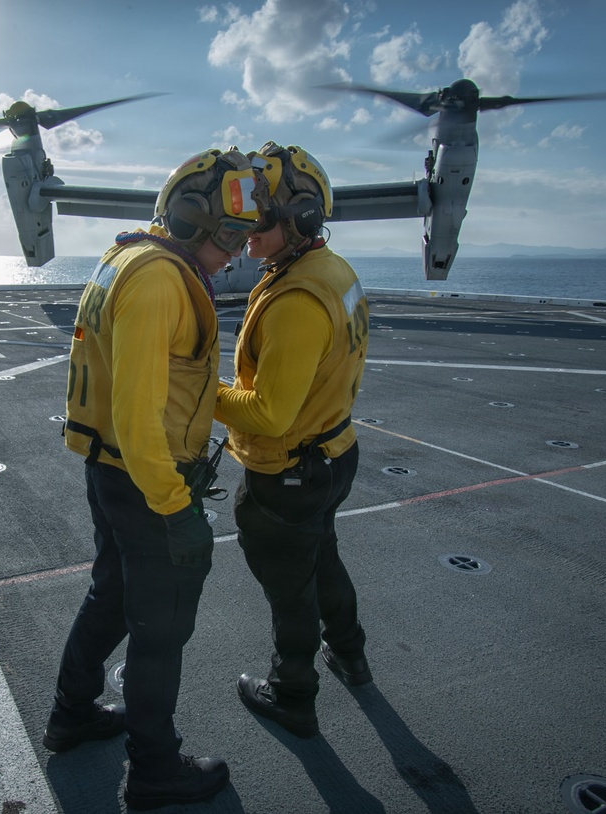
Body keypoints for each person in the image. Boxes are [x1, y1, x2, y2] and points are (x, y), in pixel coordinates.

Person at [44, 147, 268, 809]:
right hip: (147, 481)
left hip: (113, 471)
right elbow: (137, 414)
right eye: (229, 237)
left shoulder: (128, 257)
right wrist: (175, 510)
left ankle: (72, 714)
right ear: (193, 220)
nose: (238, 253)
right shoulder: (160, 281)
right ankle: (155, 769)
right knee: (159, 630)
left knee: (111, 595)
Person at [214, 141, 372, 739]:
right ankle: (350, 654)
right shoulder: (333, 271)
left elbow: (270, 414)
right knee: (322, 555)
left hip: (288, 473)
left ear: (301, 218)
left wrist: (198, 389)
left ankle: (292, 695)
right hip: (334, 452)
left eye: (259, 218)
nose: (245, 230)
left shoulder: (297, 299)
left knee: (290, 590)